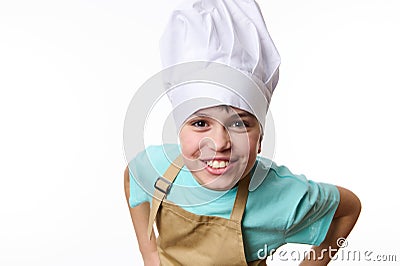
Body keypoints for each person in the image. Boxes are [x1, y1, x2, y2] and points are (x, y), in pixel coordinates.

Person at [124, 0, 361, 265]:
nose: (219, 143)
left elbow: (347, 210)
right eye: (201, 123)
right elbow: (132, 174)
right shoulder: (157, 166)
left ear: (260, 138)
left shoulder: (283, 197)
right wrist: (150, 254)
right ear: (179, 131)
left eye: (240, 123)